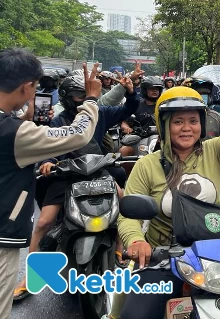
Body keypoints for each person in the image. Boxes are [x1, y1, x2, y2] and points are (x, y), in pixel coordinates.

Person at [116, 55, 220, 319]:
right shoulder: (147, 166)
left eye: (193, 121)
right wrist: (137, 241)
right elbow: (129, 214)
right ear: (164, 125)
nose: (186, 128)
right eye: (178, 121)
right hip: (162, 259)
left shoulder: (214, 151)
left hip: (214, 260)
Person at [13, 71, 139, 299]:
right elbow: (45, 145)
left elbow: (128, 109)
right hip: (66, 175)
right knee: (44, 221)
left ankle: (121, 249)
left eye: (86, 94)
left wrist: (131, 91)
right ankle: (31, 275)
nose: (83, 98)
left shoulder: (98, 113)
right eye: (78, 94)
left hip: (96, 169)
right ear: (66, 96)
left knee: (123, 200)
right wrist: (48, 163)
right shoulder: (55, 118)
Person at [0, 50, 101, 317]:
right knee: (44, 222)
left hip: (91, 174)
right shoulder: (16, 132)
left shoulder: (15, 127)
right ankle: (33, 276)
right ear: (26, 87)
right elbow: (77, 134)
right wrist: (91, 100)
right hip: (3, 235)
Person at [119, 76, 164, 156]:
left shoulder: (164, 106)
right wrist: (126, 128)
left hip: (162, 139)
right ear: (144, 90)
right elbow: (124, 122)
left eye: (157, 89)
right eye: (151, 88)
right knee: (123, 151)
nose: (155, 91)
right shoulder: (136, 105)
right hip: (139, 138)